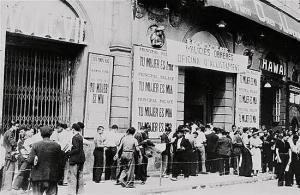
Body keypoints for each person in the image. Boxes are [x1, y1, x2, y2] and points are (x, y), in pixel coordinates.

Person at [27, 126, 62, 195]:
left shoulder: (35, 145)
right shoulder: (57, 146)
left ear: (41, 134)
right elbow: (60, 162)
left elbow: (30, 160)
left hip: (37, 177)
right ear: (51, 134)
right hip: (52, 177)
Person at [68, 123, 86, 195]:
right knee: (80, 176)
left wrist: (69, 153)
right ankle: (80, 192)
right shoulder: (80, 136)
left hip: (75, 159)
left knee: (73, 176)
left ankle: (72, 193)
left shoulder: (75, 137)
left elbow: (76, 148)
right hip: (81, 159)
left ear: (73, 129)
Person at [12, 127, 31, 193]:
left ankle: (17, 187)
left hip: (26, 158)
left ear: (26, 131)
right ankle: (20, 187)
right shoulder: (20, 140)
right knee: (22, 172)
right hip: (21, 158)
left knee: (23, 172)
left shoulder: (29, 139)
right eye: (20, 132)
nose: (21, 133)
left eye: (22, 131)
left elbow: (29, 149)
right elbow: (18, 148)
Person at [2, 121, 19, 191]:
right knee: (9, 169)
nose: (17, 128)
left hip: (9, 152)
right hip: (9, 153)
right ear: (13, 126)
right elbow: (12, 142)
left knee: (9, 169)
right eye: (17, 126)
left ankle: (6, 186)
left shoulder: (8, 132)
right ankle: (6, 187)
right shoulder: (9, 133)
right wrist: (15, 144)